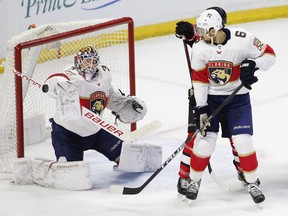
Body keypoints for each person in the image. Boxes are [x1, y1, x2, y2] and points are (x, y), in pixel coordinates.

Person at [11, 46, 162, 190]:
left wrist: (123, 105)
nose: (90, 65)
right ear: (78, 61)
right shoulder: (71, 76)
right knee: (71, 174)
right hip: (68, 134)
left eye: (93, 61)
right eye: (86, 61)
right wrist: (57, 85)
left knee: (130, 159)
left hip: (97, 131)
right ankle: (37, 169)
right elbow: (56, 78)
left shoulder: (104, 75)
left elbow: (108, 98)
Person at [178, 7, 276, 204]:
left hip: (237, 100)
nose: (200, 35)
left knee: (242, 141)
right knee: (204, 142)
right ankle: (193, 181)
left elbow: (270, 55)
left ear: (215, 30)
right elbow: (199, 79)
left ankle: (252, 181)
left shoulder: (243, 39)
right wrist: (202, 108)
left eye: (204, 31)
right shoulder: (200, 47)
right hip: (211, 100)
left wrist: (252, 65)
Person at [175, 7, 249, 197]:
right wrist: (189, 33)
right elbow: (198, 39)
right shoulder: (204, 37)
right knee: (195, 137)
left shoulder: (229, 42)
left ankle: (244, 171)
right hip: (203, 96)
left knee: (238, 136)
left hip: (229, 96)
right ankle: (185, 177)